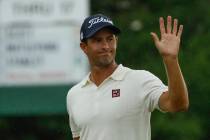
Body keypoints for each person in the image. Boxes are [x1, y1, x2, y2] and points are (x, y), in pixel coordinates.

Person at [66, 14, 189, 140]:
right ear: (84, 47)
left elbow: (178, 104)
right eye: (98, 40)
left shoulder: (139, 80)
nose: (106, 46)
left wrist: (171, 60)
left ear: (116, 41)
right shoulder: (74, 95)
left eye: (110, 39)